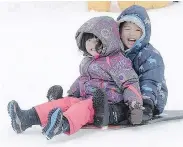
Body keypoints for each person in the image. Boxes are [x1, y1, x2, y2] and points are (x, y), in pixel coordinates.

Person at [7, 16, 143, 140]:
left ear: (109, 40)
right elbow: (82, 80)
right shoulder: (87, 61)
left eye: (95, 40)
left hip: (105, 103)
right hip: (84, 97)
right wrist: (71, 94)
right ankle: (25, 118)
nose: (90, 45)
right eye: (87, 40)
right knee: (66, 102)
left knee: (84, 107)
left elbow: (130, 83)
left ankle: (63, 123)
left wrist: (135, 105)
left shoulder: (117, 61)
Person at [117, 5, 168, 119]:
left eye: (137, 30)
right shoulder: (115, 53)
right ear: (119, 31)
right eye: (127, 29)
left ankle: (140, 111)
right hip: (126, 96)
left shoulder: (150, 55)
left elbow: (151, 80)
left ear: (144, 33)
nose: (132, 33)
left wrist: (147, 103)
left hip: (151, 97)